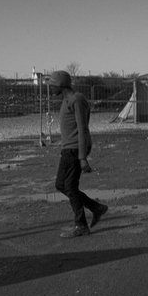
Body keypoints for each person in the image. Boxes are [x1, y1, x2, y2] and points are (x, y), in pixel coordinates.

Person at [47, 70, 108, 237]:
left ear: (60, 84)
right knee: (61, 184)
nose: (50, 88)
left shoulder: (77, 99)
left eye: (52, 85)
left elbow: (82, 129)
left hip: (74, 149)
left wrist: (82, 158)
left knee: (70, 187)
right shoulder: (67, 100)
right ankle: (96, 208)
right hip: (68, 148)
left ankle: (81, 225)